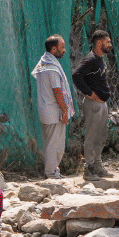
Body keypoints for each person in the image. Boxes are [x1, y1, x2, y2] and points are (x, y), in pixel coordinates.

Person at [72, 29, 114, 181]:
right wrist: (88, 93)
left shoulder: (99, 58)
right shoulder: (90, 59)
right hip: (93, 105)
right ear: (98, 43)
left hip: (101, 104)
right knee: (92, 136)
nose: (110, 44)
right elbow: (76, 75)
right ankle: (88, 169)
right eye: (107, 42)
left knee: (101, 135)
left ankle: (98, 166)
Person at [32, 35, 74, 179]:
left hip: (46, 109)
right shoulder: (51, 67)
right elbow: (57, 90)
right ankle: (51, 174)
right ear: (54, 48)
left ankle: (52, 172)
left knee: (51, 143)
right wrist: (64, 109)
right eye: (62, 47)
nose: (64, 50)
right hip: (53, 110)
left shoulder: (44, 63)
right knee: (54, 145)